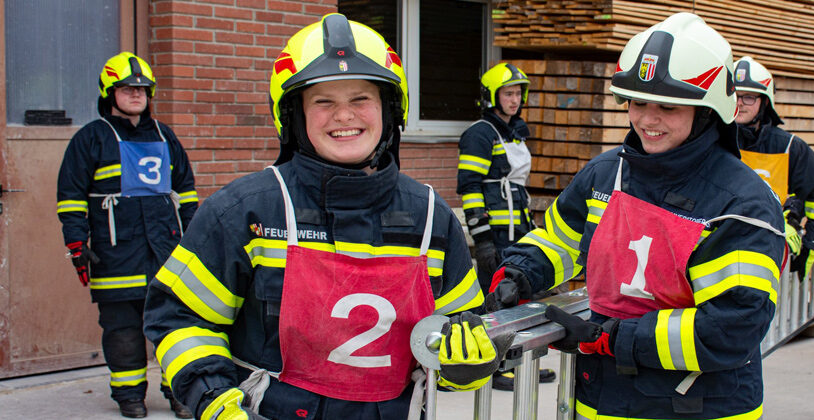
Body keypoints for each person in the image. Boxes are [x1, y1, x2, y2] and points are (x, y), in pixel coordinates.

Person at [143, 14, 501, 420]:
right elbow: (180, 317)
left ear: (389, 109)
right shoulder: (245, 212)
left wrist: (464, 366)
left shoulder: (431, 218)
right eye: (324, 101)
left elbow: (455, 337)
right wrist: (214, 399)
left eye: (360, 99)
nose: (344, 115)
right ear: (294, 116)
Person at [483, 12, 785, 419]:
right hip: (602, 400)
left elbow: (731, 329)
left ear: (708, 110)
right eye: (638, 102)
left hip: (698, 407)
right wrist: (519, 274)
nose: (647, 118)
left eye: (667, 106)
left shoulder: (742, 204)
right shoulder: (606, 173)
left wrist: (609, 338)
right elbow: (559, 239)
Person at [56, 51, 198, 419]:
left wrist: (195, 238)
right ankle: (129, 396)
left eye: (142, 88)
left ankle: (180, 393)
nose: (136, 94)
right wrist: (76, 244)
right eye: (127, 88)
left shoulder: (166, 136)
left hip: (167, 251)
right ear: (110, 92)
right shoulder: (91, 138)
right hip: (116, 251)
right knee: (122, 330)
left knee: (176, 327)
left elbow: (186, 191)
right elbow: (71, 197)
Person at [457, 62, 556, 391]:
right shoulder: (480, 133)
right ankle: (496, 367)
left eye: (517, 94)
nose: (514, 100)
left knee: (520, 298)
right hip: (495, 234)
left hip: (519, 230)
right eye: (507, 94)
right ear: (492, 97)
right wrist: (481, 239)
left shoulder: (513, 131)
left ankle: (518, 359)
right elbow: (470, 187)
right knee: (496, 302)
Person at [733, 56, 814, 274]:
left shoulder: (790, 147)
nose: (739, 103)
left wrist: (812, 242)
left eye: (749, 97)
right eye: (734, 95)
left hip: (769, 251)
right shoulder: (709, 140)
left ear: (765, 102)